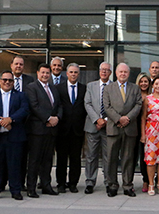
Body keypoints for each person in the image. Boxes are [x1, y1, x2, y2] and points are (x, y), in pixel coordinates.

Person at [0, 70, 29, 200]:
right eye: (5, 80)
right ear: (0, 81)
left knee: (15, 165)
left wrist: (11, 119)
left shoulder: (21, 96)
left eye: (10, 80)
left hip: (14, 136)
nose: (7, 82)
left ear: (14, 82)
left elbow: (24, 109)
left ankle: (15, 190)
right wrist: (2, 122)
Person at [102, 63, 142, 197]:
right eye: (120, 72)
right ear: (116, 73)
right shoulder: (108, 88)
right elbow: (107, 107)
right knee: (112, 158)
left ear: (128, 73)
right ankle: (112, 185)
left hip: (130, 128)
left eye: (125, 72)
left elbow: (138, 104)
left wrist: (127, 118)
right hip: (114, 127)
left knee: (128, 158)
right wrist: (119, 119)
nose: (123, 74)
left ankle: (127, 185)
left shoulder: (135, 88)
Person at [24, 63, 61, 198]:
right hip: (37, 130)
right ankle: (31, 187)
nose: (45, 75)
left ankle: (46, 185)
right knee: (34, 160)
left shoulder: (53, 88)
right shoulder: (31, 88)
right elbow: (34, 106)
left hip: (51, 130)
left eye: (47, 73)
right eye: (43, 73)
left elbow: (59, 105)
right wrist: (47, 118)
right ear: (38, 73)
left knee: (47, 160)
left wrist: (57, 118)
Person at [56, 63, 87, 193]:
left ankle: (73, 183)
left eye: (76, 72)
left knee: (75, 159)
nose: (73, 74)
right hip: (62, 129)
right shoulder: (58, 88)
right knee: (61, 158)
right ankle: (61, 183)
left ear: (78, 74)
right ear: (67, 73)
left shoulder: (84, 88)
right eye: (71, 72)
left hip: (77, 130)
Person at [83, 62, 112, 193]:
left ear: (110, 72)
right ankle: (90, 182)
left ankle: (108, 182)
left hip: (109, 127)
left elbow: (115, 106)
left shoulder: (114, 86)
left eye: (107, 70)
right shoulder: (91, 86)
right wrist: (97, 120)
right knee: (91, 156)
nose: (104, 72)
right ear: (99, 71)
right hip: (92, 126)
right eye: (102, 70)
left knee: (108, 156)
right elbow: (87, 104)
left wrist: (105, 120)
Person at [141, 77, 159, 195]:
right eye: (156, 84)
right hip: (151, 130)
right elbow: (143, 117)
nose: (158, 86)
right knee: (150, 158)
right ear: (152, 85)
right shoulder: (148, 99)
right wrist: (143, 134)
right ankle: (151, 184)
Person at [135, 72, 151, 192]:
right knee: (134, 156)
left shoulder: (152, 96)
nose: (143, 83)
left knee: (147, 157)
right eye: (141, 81)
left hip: (149, 129)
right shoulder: (134, 95)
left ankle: (147, 181)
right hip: (134, 128)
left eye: (146, 81)